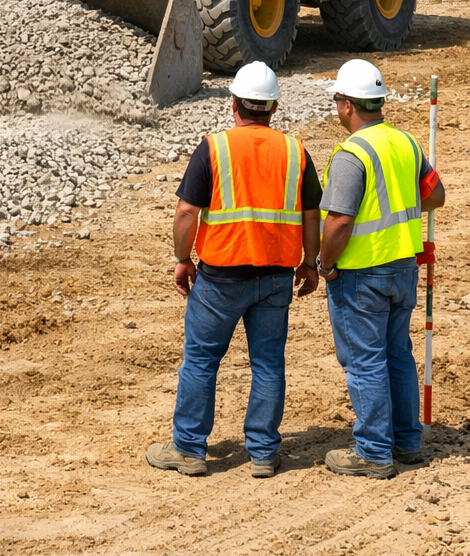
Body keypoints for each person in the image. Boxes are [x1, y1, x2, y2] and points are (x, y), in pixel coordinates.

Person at [146, 62, 321, 478]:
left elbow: (186, 211)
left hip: (220, 278)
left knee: (201, 361)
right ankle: (263, 453)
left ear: (233, 104)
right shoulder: (296, 152)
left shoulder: (214, 148)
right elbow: (312, 214)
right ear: (274, 107)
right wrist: (309, 263)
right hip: (276, 277)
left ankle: (189, 449)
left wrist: (182, 258)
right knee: (268, 363)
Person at [319, 59, 445, 479]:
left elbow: (339, 221)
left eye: (338, 101)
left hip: (362, 274)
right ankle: (407, 441)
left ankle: (373, 451)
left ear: (347, 105)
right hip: (403, 267)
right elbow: (436, 196)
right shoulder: (406, 143)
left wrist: (325, 263)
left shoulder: (352, 153)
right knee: (397, 354)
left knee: (365, 361)